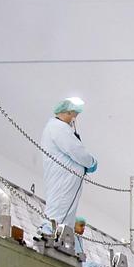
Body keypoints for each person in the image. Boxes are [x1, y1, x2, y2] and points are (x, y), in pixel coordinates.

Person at [40, 98, 98, 233]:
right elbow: (76, 150)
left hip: (65, 175)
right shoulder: (59, 128)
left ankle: (60, 235)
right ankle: (50, 232)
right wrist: (92, 162)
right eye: (74, 115)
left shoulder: (57, 128)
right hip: (64, 176)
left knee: (64, 207)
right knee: (61, 204)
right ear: (68, 112)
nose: (74, 119)